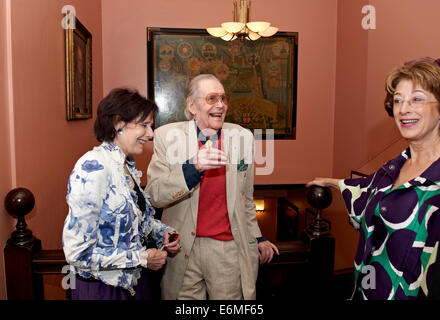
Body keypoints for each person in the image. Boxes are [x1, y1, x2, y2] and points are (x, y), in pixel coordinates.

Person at [307, 57, 440, 300]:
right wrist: (333, 182)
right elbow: (368, 190)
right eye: (398, 100)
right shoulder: (393, 167)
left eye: (417, 99)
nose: (403, 108)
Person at [145, 74, 279, 300]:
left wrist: (258, 237)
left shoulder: (243, 138)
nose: (220, 105)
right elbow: (154, 195)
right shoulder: (166, 137)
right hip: (182, 249)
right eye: (211, 98)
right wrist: (193, 168)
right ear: (192, 105)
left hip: (227, 250)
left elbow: (246, 198)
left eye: (223, 98)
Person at [62, 88, 180, 300]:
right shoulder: (93, 167)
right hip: (102, 289)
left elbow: (138, 219)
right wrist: (142, 258)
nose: (151, 134)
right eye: (144, 125)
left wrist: (162, 232)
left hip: (133, 283)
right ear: (118, 123)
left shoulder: (127, 166)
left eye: (150, 126)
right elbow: (77, 253)